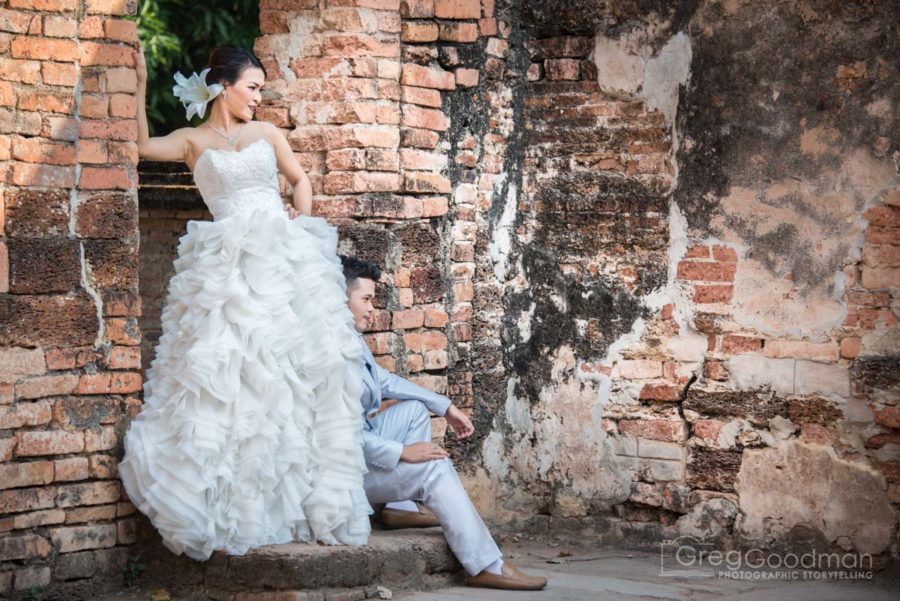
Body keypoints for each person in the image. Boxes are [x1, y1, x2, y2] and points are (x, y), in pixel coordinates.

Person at [118, 44, 371, 561]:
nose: (258, 98)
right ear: (222, 86)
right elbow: (142, 145)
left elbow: (299, 180)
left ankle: (296, 501)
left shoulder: (266, 134)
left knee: (290, 377)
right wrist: (140, 80)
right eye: (252, 87)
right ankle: (233, 503)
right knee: (229, 378)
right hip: (225, 270)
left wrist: (299, 221)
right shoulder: (192, 141)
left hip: (279, 262)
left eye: (261, 89)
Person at [341, 256, 548, 591]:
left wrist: (444, 405)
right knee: (434, 468)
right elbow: (337, 437)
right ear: (340, 299)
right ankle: (485, 565)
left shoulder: (348, 337)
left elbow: (383, 380)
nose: (372, 310)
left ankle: (399, 507)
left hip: (357, 455)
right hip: (340, 478)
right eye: (366, 300)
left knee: (413, 410)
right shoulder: (326, 354)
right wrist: (402, 452)